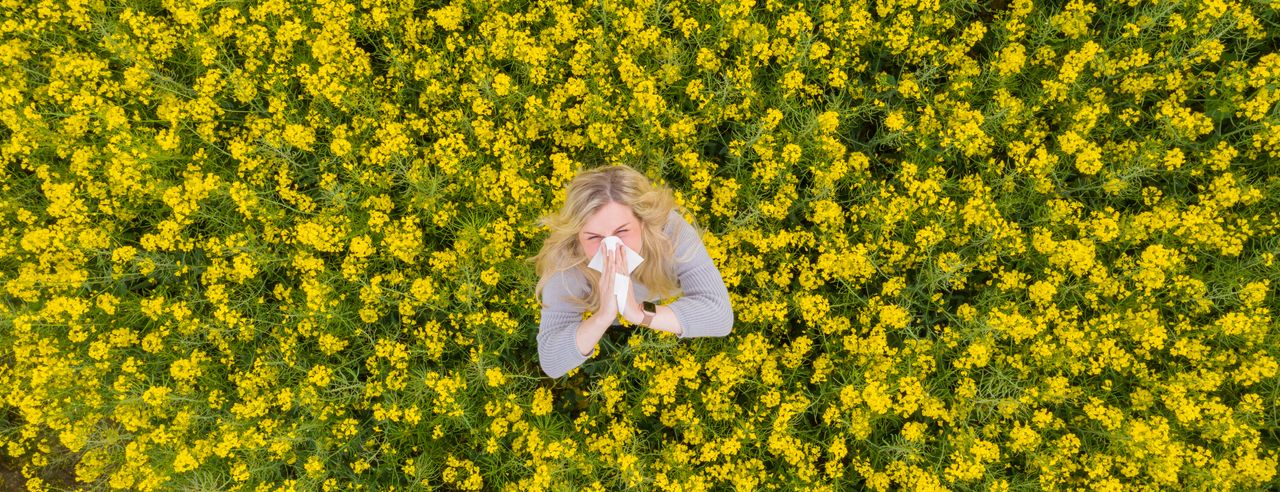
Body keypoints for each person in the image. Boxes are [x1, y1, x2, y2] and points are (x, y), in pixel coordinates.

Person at [529, 164, 734, 378]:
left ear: (644, 223)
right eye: (593, 237)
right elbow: (551, 361)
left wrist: (637, 313)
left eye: (622, 231)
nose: (611, 247)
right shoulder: (567, 257)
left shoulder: (670, 231)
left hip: (653, 309)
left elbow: (719, 315)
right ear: (577, 236)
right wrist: (602, 317)